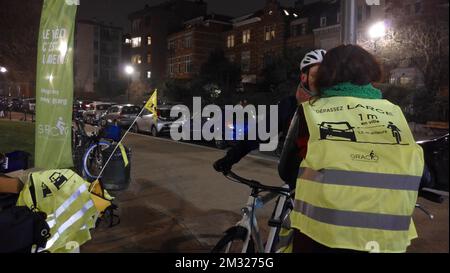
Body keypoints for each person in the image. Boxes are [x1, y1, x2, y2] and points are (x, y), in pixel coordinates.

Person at [280, 44, 425, 253]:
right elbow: (418, 172)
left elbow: (287, 171)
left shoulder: (311, 111)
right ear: (370, 72)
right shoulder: (393, 112)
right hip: (384, 241)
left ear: (325, 74)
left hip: (321, 237)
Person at [213, 49, 326, 173]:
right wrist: (230, 158)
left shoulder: (341, 105)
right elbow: (258, 134)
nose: (323, 81)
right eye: (316, 75)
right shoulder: (290, 105)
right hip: (298, 179)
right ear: (304, 77)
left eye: (327, 75)